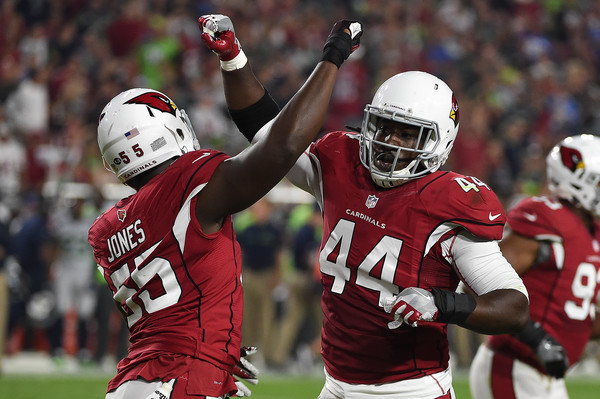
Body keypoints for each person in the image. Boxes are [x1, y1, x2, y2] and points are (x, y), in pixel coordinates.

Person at [87, 14, 362, 399]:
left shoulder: (104, 229)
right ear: (169, 131)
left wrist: (217, 345)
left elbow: (162, 312)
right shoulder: (189, 182)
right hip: (181, 378)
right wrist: (332, 58)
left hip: (133, 379)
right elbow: (282, 146)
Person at [224, 63, 531, 396]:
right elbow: (271, 139)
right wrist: (234, 61)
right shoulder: (342, 166)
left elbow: (513, 306)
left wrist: (442, 304)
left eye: (407, 133)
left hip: (410, 390)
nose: (390, 142)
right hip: (336, 385)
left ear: (439, 140)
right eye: (383, 127)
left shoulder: (448, 204)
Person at [469, 134, 600, 399]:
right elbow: (479, 282)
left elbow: (579, 316)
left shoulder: (593, 233)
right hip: (514, 364)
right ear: (575, 180)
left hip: (548, 375)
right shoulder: (547, 218)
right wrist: (534, 336)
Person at [235, 197, 284, 367]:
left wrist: (277, 276)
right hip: (250, 276)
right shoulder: (247, 231)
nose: (258, 212)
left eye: (262, 208)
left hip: (266, 276)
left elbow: (279, 255)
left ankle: (266, 354)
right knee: (248, 317)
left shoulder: (274, 230)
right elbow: (239, 254)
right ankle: (247, 354)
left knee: (266, 317)